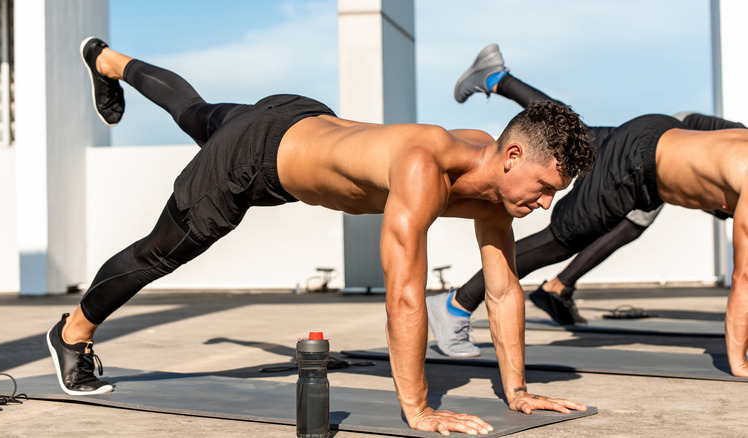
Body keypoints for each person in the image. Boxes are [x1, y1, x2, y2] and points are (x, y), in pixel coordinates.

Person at [46, 37, 595, 435]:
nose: (547, 204)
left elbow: (502, 289)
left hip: (296, 116)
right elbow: (404, 296)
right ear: (514, 155)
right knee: (160, 252)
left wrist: (518, 391)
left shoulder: (488, 163)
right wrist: (419, 407)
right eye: (546, 187)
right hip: (254, 162)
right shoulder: (424, 169)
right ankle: (72, 334)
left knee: (195, 113)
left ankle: (106, 60)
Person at [428, 44, 748, 380]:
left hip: (661, 130)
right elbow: (742, 279)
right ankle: (455, 305)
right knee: (562, 239)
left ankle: (497, 78)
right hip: (636, 167)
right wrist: (738, 361)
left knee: (578, 139)